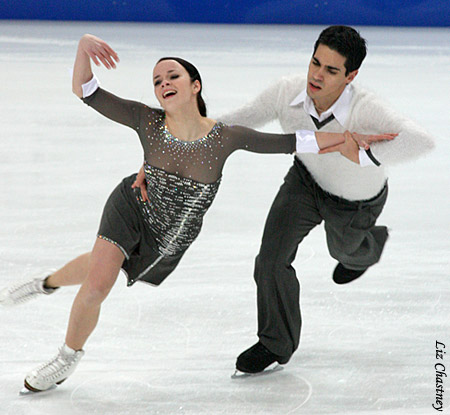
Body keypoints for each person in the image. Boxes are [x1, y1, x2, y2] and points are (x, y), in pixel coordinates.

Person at [0, 34, 392, 393]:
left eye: (172, 75)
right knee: (100, 284)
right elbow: (86, 91)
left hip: (169, 237)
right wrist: (84, 46)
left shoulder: (225, 137)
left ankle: (46, 282)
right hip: (132, 207)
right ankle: (66, 358)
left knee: (104, 267)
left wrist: (344, 140)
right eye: (156, 81)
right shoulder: (146, 121)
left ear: (195, 86)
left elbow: (292, 141)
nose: (163, 83)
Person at [134, 25, 435, 375]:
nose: (317, 75)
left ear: (351, 75)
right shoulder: (287, 92)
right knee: (270, 260)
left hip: (355, 200)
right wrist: (167, 150)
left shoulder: (367, 109)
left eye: (331, 70)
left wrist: (363, 155)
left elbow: (421, 141)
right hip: (305, 182)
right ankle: (276, 343)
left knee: (345, 252)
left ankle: (369, 247)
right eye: (315, 62)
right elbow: (233, 123)